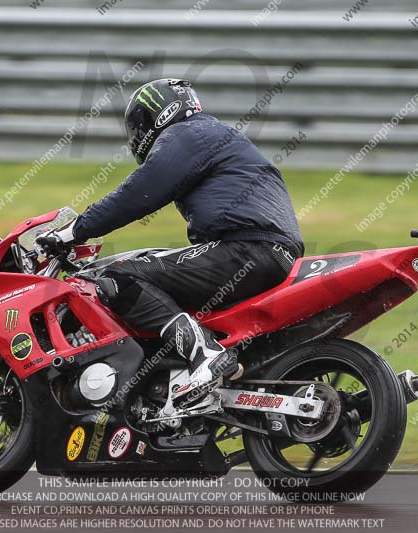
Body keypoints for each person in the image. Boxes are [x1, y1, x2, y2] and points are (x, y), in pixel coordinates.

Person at [42, 79, 304, 407]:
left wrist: (74, 231)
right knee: (156, 264)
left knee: (118, 277)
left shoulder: (188, 133)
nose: (138, 137)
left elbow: (139, 193)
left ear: (160, 114)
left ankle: (205, 353)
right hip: (269, 253)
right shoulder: (216, 135)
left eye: (139, 126)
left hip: (245, 250)